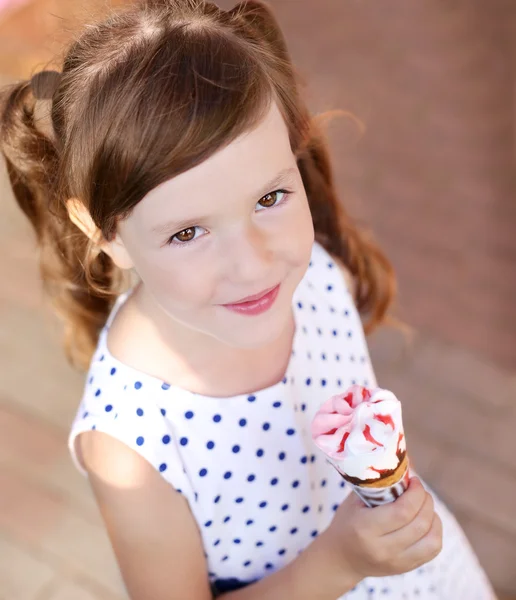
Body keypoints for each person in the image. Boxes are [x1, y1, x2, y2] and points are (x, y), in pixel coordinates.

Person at [0, 1, 496, 598]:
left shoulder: (312, 273)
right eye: (187, 232)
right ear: (103, 232)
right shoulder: (131, 444)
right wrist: (341, 561)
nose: (254, 262)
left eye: (269, 198)